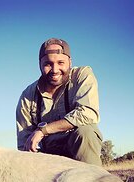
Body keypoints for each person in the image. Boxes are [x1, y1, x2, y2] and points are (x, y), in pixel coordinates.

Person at [16, 38, 103, 166]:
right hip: (48, 154)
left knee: (85, 132)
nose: (55, 70)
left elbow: (88, 113)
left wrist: (43, 130)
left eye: (60, 62)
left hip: (78, 146)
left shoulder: (82, 75)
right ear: (39, 64)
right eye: (48, 64)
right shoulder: (27, 95)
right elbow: (24, 143)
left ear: (70, 62)